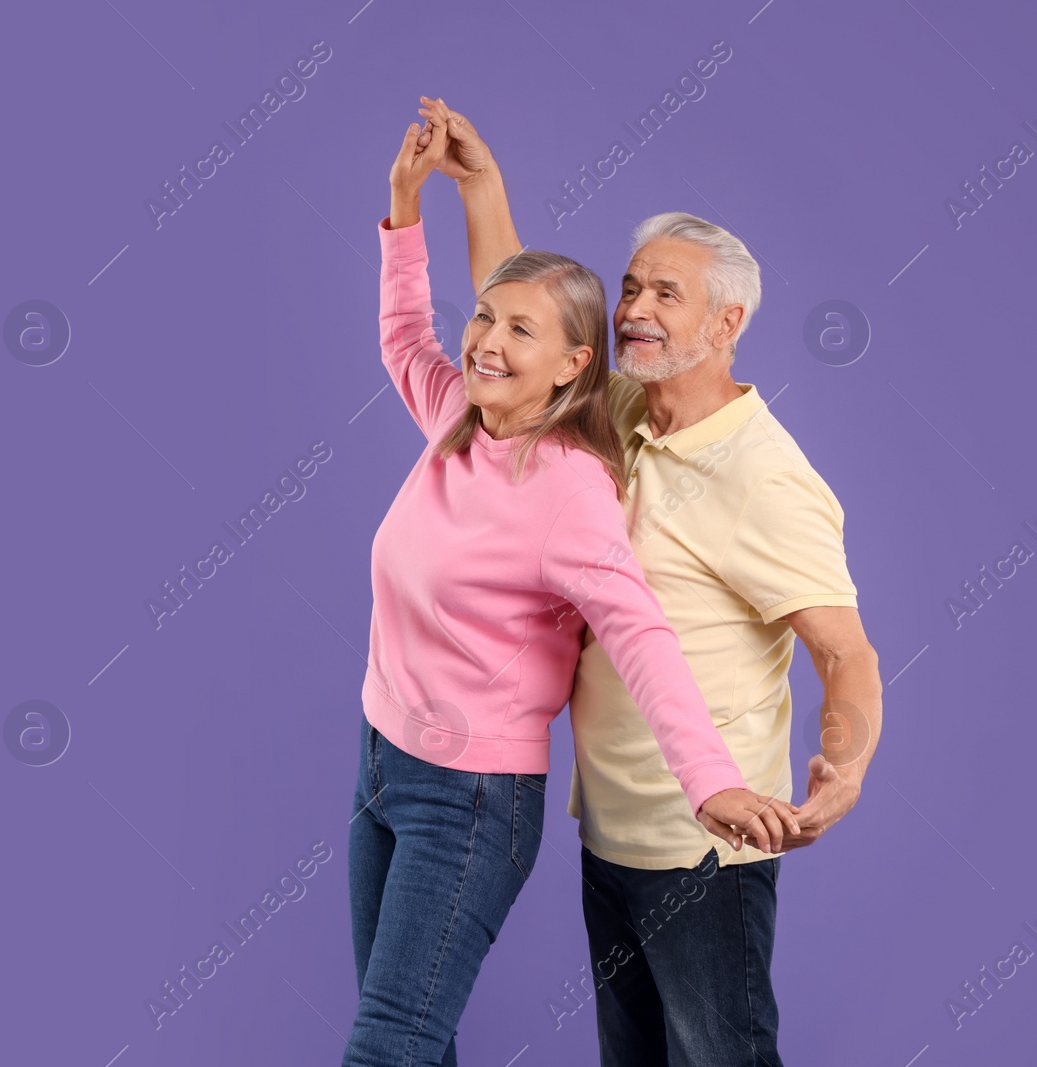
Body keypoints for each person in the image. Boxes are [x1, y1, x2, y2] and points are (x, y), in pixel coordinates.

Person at [425, 96, 884, 1065]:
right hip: (612, 840)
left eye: (662, 295)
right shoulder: (625, 406)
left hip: (707, 858)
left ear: (727, 321)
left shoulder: (766, 476)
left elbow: (843, 651)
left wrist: (841, 765)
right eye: (630, 287)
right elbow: (524, 317)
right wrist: (480, 183)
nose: (631, 308)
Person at [344, 104, 800, 1067]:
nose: (487, 341)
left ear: (574, 366)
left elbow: (641, 635)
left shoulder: (570, 489)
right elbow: (400, 335)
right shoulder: (459, 419)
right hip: (380, 763)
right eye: (483, 318)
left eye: (521, 330)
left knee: (388, 1045)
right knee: (408, 1037)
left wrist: (712, 778)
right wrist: (404, 204)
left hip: (469, 797)